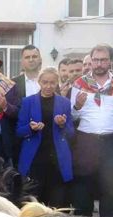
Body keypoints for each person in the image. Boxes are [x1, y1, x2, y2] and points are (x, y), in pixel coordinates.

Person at [70, 44, 113, 217]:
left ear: (110, 62)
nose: (99, 64)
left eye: (103, 60)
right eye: (96, 60)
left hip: (111, 142)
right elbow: (73, 116)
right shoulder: (79, 84)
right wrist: (77, 106)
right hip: (86, 142)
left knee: (109, 189)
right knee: (83, 188)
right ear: (90, 61)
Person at [16, 67, 74, 207]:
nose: (48, 86)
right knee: (34, 205)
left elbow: (71, 133)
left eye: (52, 83)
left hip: (57, 161)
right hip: (35, 160)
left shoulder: (64, 102)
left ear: (57, 83)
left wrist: (62, 124)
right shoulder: (27, 102)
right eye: (45, 82)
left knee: (57, 205)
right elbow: (18, 131)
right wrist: (31, 127)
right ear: (39, 82)